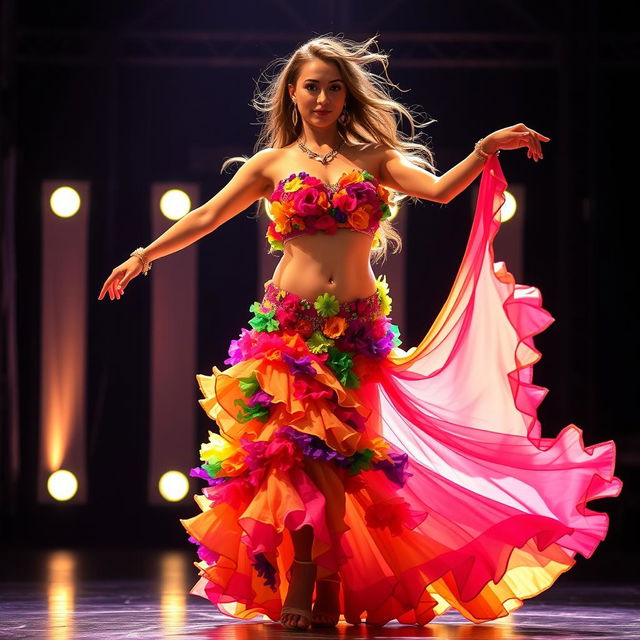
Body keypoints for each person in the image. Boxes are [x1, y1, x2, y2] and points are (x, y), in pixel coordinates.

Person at [98, 35, 622, 631]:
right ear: (292, 94)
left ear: (346, 94)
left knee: (342, 465)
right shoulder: (271, 164)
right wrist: (144, 255)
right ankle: (303, 581)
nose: (322, 97)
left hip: (355, 338)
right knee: (296, 460)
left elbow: (439, 189)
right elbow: (206, 216)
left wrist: (483, 150)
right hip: (288, 331)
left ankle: (325, 586)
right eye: (311, 86)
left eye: (333, 86)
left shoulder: (374, 157)